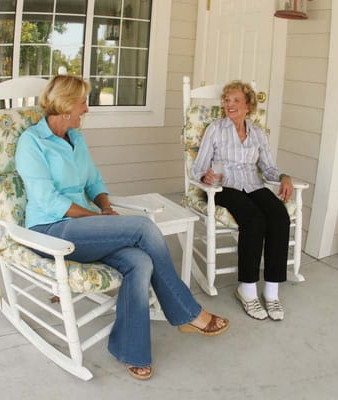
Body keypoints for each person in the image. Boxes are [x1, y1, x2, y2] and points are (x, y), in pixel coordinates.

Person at [15, 74, 229, 381]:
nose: (86, 110)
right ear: (65, 107)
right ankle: (188, 313)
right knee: (142, 228)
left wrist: (104, 206)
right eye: (82, 103)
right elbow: (49, 203)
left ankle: (131, 350)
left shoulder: (76, 139)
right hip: (51, 230)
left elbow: (94, 182)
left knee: (140, 261)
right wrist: (98, 220)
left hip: (86, 226)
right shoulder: (31, 143)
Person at [190, 80, 294, 322]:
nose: (230, 105)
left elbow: (267, 168)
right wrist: (205, 175)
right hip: (223, 186)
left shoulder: (257, 133)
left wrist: (283, 176)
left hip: (253, 184)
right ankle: (247, 290)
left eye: (236, 100)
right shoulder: (216, 129)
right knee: (254, 220)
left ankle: (271, 290)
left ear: (248, 105)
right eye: (227, 100)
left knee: (279, 216)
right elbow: (198, 168)